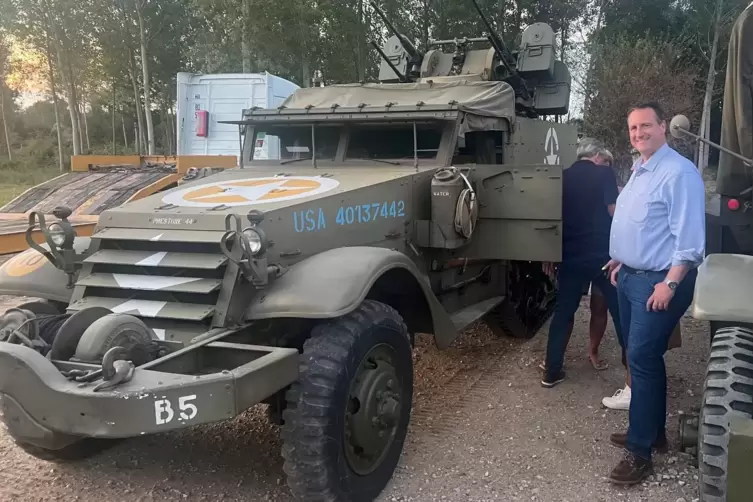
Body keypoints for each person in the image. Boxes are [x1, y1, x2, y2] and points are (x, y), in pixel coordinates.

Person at [604, 101, 705, 485]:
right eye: (633, 128)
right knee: (639, 356)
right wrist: (621, 260)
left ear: (663, 126)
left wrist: (671, 283)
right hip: (631, 275)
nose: (638, 133)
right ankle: (654, 433)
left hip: (659, 281)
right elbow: (641, 226)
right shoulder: (641, 169)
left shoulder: (678, 173)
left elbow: (690, 240)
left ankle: (640, 452)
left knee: (643, 357)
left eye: (645, 125)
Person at [540, 138, 625, 388]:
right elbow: (614, 212)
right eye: (605, 160)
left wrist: (550, 252)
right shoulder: (604, 173)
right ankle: (635, 377)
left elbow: (551, 218)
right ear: (597, 156)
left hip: (570, 256)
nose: (606, 163)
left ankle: (551, 371)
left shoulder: (562, 176)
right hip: (602, 257)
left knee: (563, 312)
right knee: (621, 313)